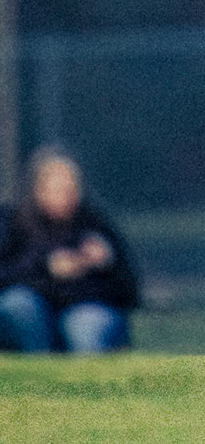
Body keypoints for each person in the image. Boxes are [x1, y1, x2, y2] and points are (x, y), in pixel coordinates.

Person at [0, 148, 140, 353]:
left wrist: (107, 263)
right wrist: (47, 267)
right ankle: (39, 362)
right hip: (33, 316)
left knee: (86, 326)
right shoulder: (12, 224)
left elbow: (131, 292)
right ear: (36, 189)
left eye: (70, 188)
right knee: (18, 304)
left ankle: (86, 369)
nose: (65, 196)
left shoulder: (95, 226)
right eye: (56, 189)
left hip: (83, 308)